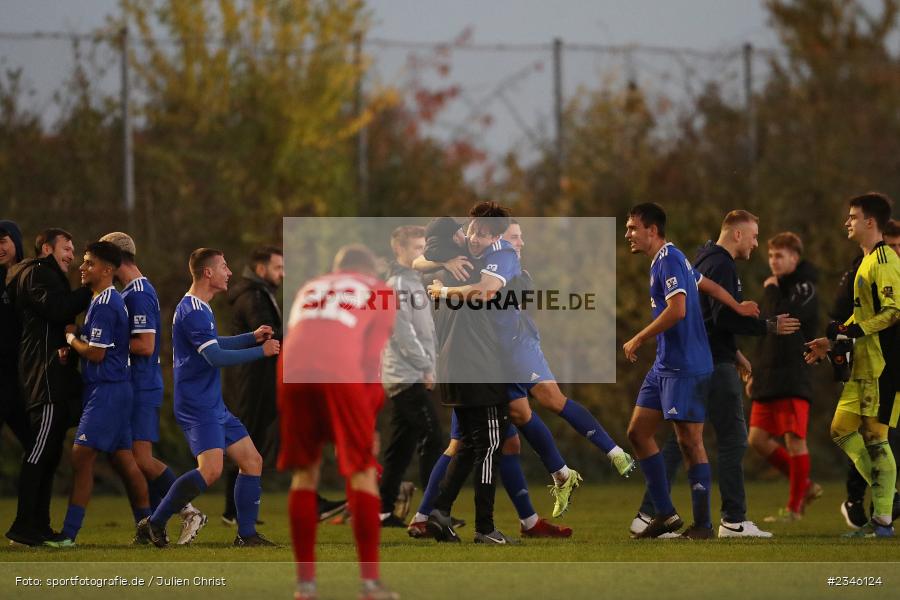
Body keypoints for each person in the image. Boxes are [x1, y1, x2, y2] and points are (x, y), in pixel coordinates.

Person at [631, 210, 799, 539]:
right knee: (701, 440)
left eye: (631, 228)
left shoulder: (687, 256)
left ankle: (678, 518)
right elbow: (709, 308)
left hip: (688, 362)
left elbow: (699, 301)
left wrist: (736, 329)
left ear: (651, 231)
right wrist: (758, 327)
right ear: (737, 234)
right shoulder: (707, 261)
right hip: (688, 363)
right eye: (753, 236)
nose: (755, 243)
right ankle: (712, 518)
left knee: (686, 440)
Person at [138, 248, 280, 547]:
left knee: (252, 461)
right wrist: (260, 352)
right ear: (208, 273)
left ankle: (247, 534)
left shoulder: (199, 307)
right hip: (197, 404)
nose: (229, 272)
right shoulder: (193, 310)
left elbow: (213, 344)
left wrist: (250, 337)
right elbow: (214, 357)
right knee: (211, 470)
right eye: (224, 267)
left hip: (212, 402)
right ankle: (156, 522)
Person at [279, 244, 398, 600]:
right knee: (361, 471)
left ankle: (305, 587)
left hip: (290, 371)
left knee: (305, 472)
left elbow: (305, 337)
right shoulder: (380, 291)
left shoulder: (310, 286)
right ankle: (370, 585)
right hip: (340, 371)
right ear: (370, 269)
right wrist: (369, 416)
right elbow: (370, 361)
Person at [99, 232, 207, 545]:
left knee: (142, 459)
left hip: (143, 384)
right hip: (135, 384)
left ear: (114, 261)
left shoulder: (138, 294)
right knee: (126, 456)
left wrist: (100, 344)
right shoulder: (135, 291)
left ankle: (187, 511)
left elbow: (145, 345)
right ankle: (149, 525)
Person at [42, 241, 153, 547]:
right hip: (111, 390)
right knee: (124, 462)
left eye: (89, 263)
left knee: (81, 457)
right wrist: (75, 345)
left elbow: (96, 354)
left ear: (107, 270)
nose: (82, 267)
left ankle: (68, 534)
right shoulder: (100, 300)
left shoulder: (105, 303)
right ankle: (150, 526)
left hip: (107, 391)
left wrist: (70, 337)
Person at [806, 193, 900, 537]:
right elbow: (859, 316)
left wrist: (855, 330)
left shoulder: (885, 260)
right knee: (841, 430)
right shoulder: (864, 261)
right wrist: (832, 341)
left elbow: (894, 312)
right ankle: (887, 494)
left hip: (882, 366)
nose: (848, 222)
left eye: (852, 217)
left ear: (870, 222)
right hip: (862, 364)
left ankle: (883, 520)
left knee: (876, 438)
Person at [5, 228, 92, 546]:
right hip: (44, 380)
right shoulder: (38, 274)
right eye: (66, 248)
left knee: (50, 454)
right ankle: (22, 525)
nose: (71, 255)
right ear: (46, 249)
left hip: (53, 379)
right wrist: (89, 288)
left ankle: (39, 525)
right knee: (39, 451)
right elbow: (57, 309)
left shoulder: (46, 275)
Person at [746, 232, 821, 521]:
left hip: (793, 374)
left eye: (779, 255)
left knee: (794, 441)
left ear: (795, 257)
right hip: (769, 376)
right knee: (757, 439)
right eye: (771, 255)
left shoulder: (804, 287)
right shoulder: (776, 287)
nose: (773, 261)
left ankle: (794, 510)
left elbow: (784, 321)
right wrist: (756, 371)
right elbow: (767, 332)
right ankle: (806, 485)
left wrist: (771, 290)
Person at [379, 226, 444, 527]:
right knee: (433, 436)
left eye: (424, 248)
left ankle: (383, 510)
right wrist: (426, 367)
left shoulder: (414, 281)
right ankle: (432, 510)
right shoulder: (396, 285)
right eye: (416, 248)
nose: (421, 254)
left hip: (409, 373)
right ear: (399, 251)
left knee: (401, 446)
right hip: (406, 375)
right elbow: (402, 333)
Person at [0, 221, 31, 453]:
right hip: (4, 377)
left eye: (3, 242)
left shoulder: (29, 276)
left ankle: (34, 491)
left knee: (37, 445)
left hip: (24, 378)